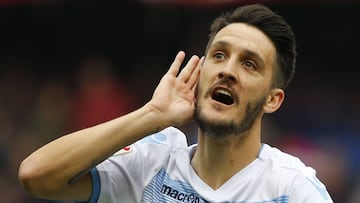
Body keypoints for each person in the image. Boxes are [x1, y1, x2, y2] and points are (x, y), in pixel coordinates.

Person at [18, 4, 333, 203]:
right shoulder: (152, 163)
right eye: (219, 55)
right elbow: (37, 175)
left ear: (272, 99)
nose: (227, 70)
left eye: (249, 64)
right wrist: (151, 115)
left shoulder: (292, 189)